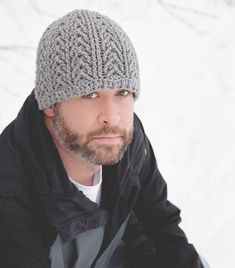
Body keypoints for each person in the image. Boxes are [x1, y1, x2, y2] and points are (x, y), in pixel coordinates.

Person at [0, 9, 205, 268]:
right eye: (90, 94)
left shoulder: (129, 143)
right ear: (50, 105)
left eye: (122, 92)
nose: (112, 117)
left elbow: (162, 228)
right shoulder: (10, 190)